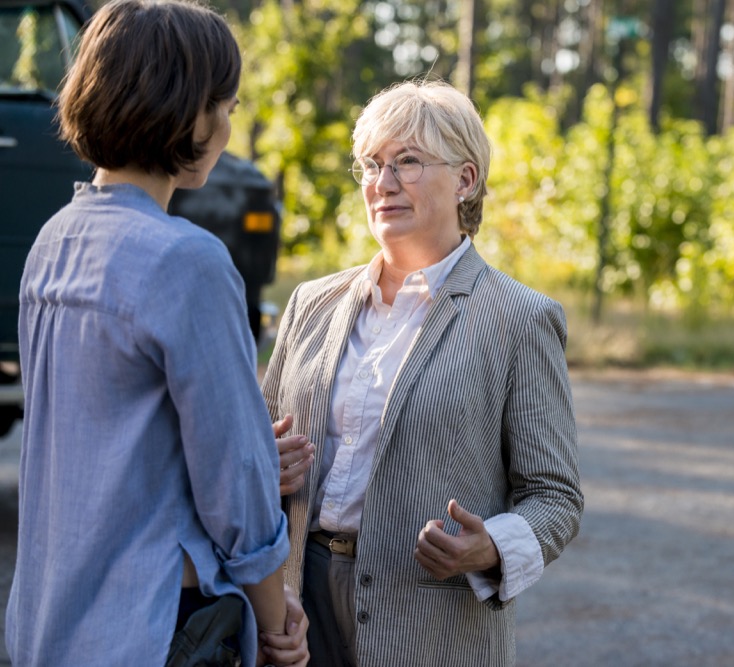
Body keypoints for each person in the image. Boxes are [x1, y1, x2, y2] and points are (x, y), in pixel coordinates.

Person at [4, 1, 308, 665]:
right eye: (222, 104)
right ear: (183, 110)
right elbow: (237, 488)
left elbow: (105, 438)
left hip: (47, 624)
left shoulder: (53, 241)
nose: (227, 125)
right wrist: (276, 617)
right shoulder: (187, 260)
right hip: (157, 626)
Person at [261, 79, 584, 666]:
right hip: (294, 614)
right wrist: (262, 461)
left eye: (407, 163)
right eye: (371, 165)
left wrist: (490, 547)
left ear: (466, 179)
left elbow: (554, 497)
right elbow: (252, 445)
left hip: (429, 629)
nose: (382, 185)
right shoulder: (311, 303)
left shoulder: (521, 319)